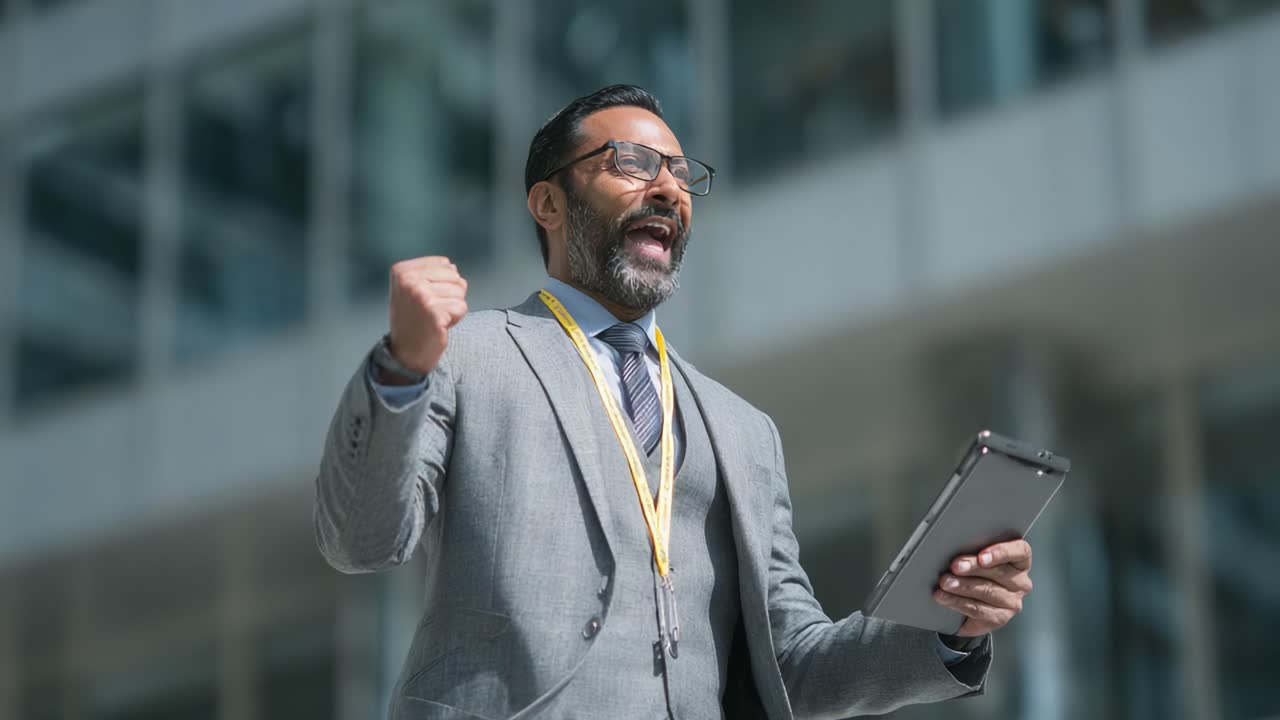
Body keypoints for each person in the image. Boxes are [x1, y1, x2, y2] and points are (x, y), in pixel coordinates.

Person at [315, 85, 1035, 719]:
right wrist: (401, 369)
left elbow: (790, 664)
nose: (668, 189)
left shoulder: (743, 431)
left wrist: (946, 624)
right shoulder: (464, 354)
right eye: (632, 163)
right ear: (548, 202)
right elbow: (359, 542)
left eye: (682, 173)